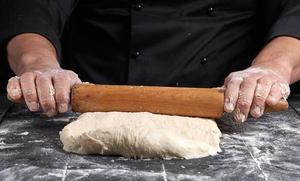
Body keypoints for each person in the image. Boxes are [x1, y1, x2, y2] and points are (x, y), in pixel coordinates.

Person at [0, 1, 300, 122]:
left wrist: (273, 68)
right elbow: (32, 7)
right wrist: (38, 64)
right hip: (85, 106)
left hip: (229, 112)